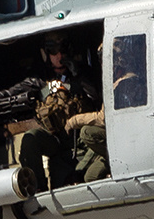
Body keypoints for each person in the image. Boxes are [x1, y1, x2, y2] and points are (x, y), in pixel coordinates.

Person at [16, 33, 107, 191]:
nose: (59, 56)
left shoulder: (84, 73)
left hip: (86, 142)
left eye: (62, 50)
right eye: (54, 52)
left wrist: (78, 74)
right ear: (45, 53)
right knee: (31, 139)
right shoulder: (39, 80)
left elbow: (97, 96)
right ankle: (38, 191)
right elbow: (8, 94)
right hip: (58, 145)